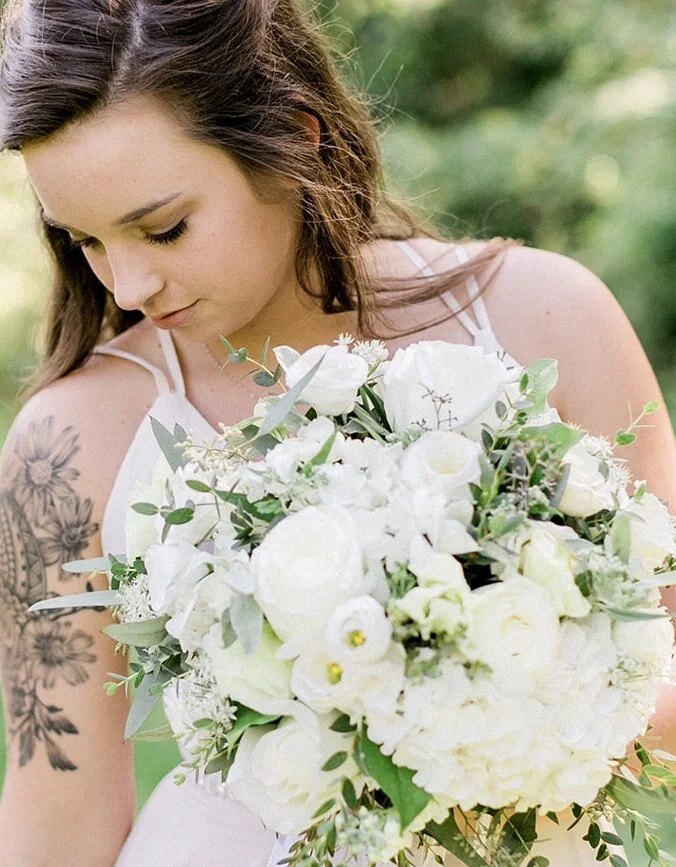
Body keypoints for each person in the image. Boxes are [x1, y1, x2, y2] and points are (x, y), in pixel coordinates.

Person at [0, 1, 673, 865]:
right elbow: (57, 827)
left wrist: (473, 694)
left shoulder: (548, 318)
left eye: (163, 226)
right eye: (84, 240)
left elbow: (668, 664)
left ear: (293, 136)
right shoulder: (69, 442)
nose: (128, 283)